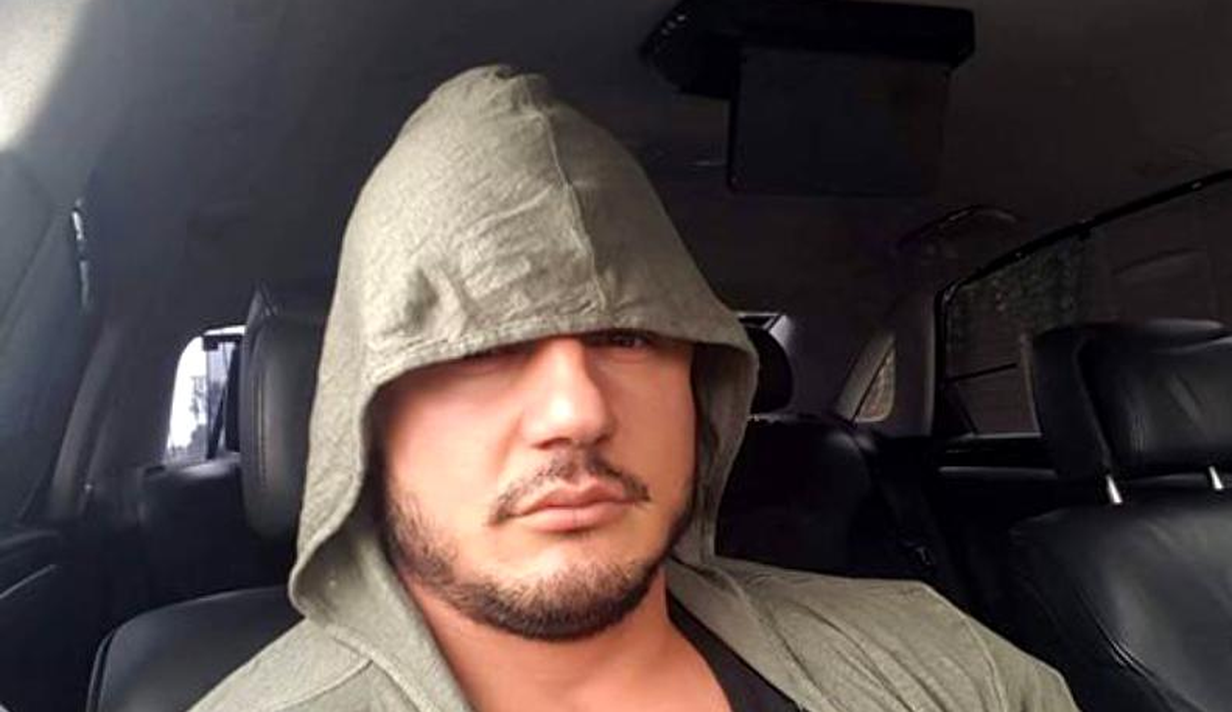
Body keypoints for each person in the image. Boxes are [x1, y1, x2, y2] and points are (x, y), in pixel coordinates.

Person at [194, 65, 1079, 712]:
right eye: (482, 350)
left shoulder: (945, 668)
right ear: (367, 418)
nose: (577, 412)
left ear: (701, 386)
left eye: (628, 337)